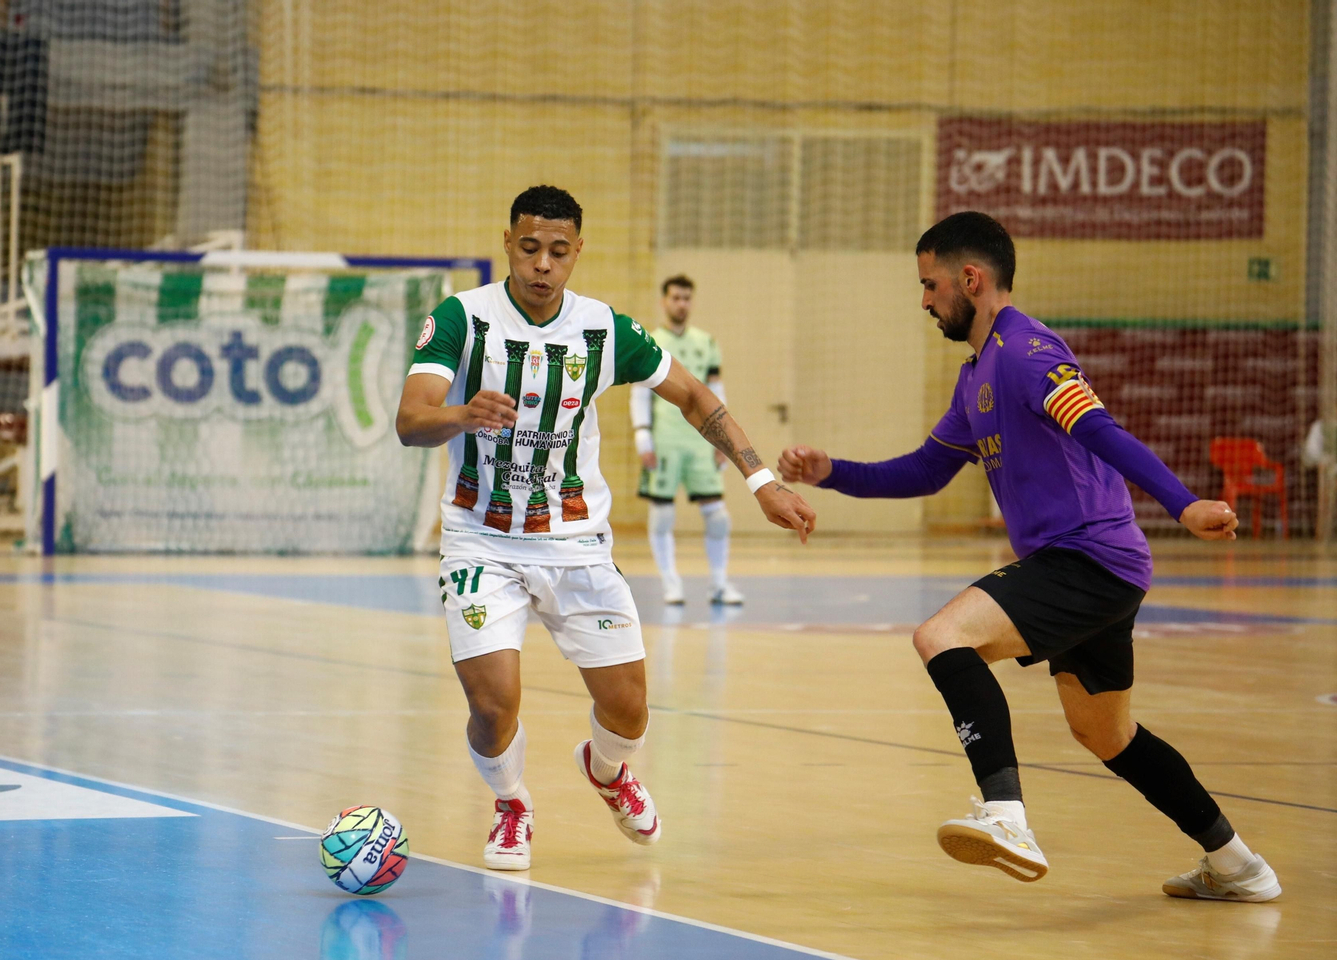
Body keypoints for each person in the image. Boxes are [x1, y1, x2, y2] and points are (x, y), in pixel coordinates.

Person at [778, 210, 1280, 902]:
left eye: (931, 285)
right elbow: (925, 473)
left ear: (971, 278)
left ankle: (1006, 816)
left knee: (940, 637)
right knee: (1107, 734)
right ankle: (1238, 865)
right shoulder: (975, 374)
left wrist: (1183, 503)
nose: (925, 300)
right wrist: (831, 470)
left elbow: (1102, 429)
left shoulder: (1028, 351)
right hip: (1096, 568)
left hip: (1087, 558)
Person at [396, 185, 817, 871]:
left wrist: (761, 479)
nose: (542, 264)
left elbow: (695, 396)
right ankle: (511, 805)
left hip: (576, 543)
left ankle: (607, 769)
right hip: (482, 541)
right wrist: (462, 414)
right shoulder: (461, 319)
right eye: (529, 248)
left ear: (577, 253)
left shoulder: (604, 330)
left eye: (558, 252)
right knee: (494, 703)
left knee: (629, 710)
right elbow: (410, 420)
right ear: (507, 243)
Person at [631, 275, 742, 605]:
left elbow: (716, 392)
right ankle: (670, 584)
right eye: (676, 298)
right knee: (663, 514)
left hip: (701, 442)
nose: (681, 304)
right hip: (665, 441)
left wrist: (724, 441)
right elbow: (639, 393)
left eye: (686, 298)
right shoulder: (650, 341)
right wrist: (642, 438)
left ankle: (720, 584)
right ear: (664, 301)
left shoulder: (706, 342)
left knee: (718, 516)